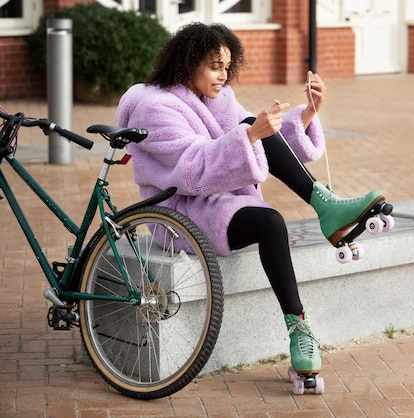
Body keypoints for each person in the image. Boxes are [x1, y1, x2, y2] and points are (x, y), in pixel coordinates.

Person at [115, 22, 383, 379]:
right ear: (187, 63)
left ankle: (325, 206)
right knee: (271, 222)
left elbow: (256, 136)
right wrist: (251, 133)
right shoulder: (155, 107)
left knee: (249, 125)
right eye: (214, 66)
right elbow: (191, 171)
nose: (223, 75)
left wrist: (305, 114)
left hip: (220, 201)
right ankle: (300, 329)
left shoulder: (217, 96)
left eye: (227, 67)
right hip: (179, 213)